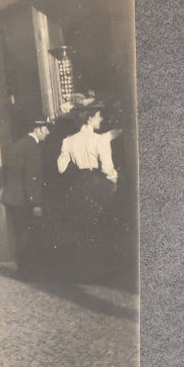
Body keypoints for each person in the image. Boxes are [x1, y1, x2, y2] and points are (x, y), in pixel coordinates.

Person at [55, 100, 120, 280]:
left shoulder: (68, 141)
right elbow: (107, 168)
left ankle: (83, 271)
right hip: (97, 184)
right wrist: (114, 181)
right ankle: (101, 272)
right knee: (100, 224)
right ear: (90, 118)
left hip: (78, 184)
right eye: (99, 116)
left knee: (81, 225)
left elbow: (61, 168)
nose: (101, 119)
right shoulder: (100, 140)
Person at [3, 118, 52, 277]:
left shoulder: (18, 144)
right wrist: (36, 203)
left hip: (13, 198)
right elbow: (32, 177)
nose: (48, 132)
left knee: (19, 234)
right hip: (25, 199)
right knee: (28, 234)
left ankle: (23, 269)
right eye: (45, 129)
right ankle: (29, 272)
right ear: (37, 129)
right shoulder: (33, 146)